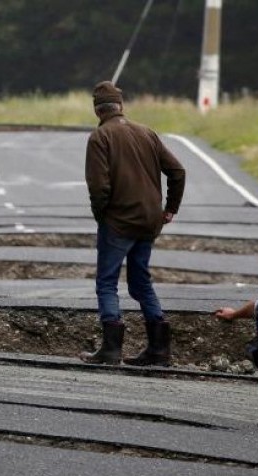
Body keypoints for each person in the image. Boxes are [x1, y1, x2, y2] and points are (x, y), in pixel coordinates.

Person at [80, 81, 186, 366]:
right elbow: (177, 171)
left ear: (97, 110)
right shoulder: (146, 133)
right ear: (121, 106)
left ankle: (111, 348)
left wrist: (102, 216)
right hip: (149, 222)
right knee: (141, 282)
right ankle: (159, 349)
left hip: (119, 223)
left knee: (106, 283)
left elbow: (99, 188)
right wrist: (169, 209)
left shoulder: (100, 137)